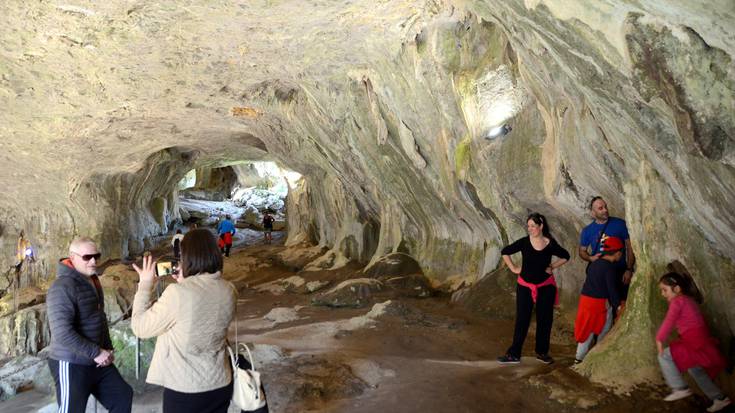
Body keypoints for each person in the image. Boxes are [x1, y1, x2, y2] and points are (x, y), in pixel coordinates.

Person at [131, 228, 237, 413]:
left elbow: (140, 328)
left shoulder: (178, 294)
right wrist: (186, 280)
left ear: (187, 257)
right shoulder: (229, 289)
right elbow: (199, 309)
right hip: (221, 381)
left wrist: (145, 284)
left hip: (187, 388)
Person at [46, 237, 133, 413]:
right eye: (87, 257)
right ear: (72, 257)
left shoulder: (92, 279)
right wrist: (97, 352)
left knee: (122, 396)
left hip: (96, 360)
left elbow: (99, 317)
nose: (93, 261)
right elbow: (62, 332)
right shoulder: (62, 287)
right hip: (70, 362)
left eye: (96, 256)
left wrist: (107, 348)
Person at [497, 213, 570, 365]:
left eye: (533, 226)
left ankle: (542, 353)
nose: (530, 229)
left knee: (545, 320)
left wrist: (552, 267)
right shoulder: (524, 242)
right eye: (528, 226)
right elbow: (505, 251)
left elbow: (566, 256)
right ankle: (514, 354)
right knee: (522, 320)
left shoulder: (550, 243)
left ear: (541, 226)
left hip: (545, 287)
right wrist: (514, 268)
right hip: (525, 287)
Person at [656, 272, 730, 412]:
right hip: (700, 340)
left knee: (664, 356)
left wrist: (659, 338)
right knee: (695, 370)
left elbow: (669, 321)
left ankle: (680, 388)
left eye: (665, 290)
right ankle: (719, 398)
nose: (662, 294)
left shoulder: (678, 301)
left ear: (677, 289)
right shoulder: (688, 300)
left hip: (695, 342)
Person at [573, 236, 624, 363]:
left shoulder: (594, 263)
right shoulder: (610, 268)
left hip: (585, 301)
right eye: (621, 252)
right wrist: (618, 305)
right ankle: (599, 355)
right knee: (604, 330)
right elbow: (612, 290)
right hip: (599, 304)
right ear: (617, 253)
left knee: (586, 330)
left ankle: (578, 358)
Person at [579, 196, 636, 304]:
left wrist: (629, 269)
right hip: (601, 275)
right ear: (593, 212)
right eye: (600, 208)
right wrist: (590, 258)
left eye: (605, 206)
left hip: (620, 272)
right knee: (604, 305)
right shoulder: (587, 231)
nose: (605, 210)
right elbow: (582, 251)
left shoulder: (620, 224)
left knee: (621, 304)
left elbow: (630, 247)